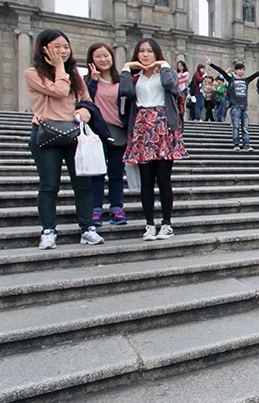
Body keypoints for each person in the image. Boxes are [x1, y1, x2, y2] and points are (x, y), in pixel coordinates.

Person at [24, 29, 104, 248]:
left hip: (73, 132)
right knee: (49, 185)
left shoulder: (75, 76)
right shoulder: (33, 73)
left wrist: (85, 112)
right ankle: (48, 230)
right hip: (46, 133)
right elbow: (59, 91)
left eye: (66, 47)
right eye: (57, 47)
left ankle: (87, 227)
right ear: (44, 48)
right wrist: (60, 67)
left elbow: (86, 100)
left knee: (83, 184)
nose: (62, 51)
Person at [120, 38, 188, 241]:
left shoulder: (165, 74)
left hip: (163, 127)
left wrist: (165, 65)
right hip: (142, 128)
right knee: (147, 181)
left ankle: (167, 224)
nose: (146, 55)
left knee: (164, 180)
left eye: (150, 51)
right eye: (141, 51)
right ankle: (149, 224)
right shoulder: (135, 78)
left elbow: (170, 85)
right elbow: (125, 91)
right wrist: (126, 67)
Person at [85, 43, 128, 226]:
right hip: (97, 132)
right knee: (97, 172)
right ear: (91, 60)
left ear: (112, 57)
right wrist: (94, 81)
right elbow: (85, 101)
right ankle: (95, 209)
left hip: (118, 131)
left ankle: (116, 208)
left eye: (106, 55)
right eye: (98, 56)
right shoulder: (88, 82)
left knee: (117, 173)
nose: (103, 59)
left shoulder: (121, 82)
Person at [207, 57, 259, 150]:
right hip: (235, 107)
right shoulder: (231, 80)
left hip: (244, 107)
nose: (242, 71)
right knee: (235, 127)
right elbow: (222, 72)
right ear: (235, 70)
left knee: (245, 127)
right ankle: (236, 144)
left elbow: (256, 74)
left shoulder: (246, 80)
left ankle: (246, 144)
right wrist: (211, 64)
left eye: (243, 70)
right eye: (240, 69)